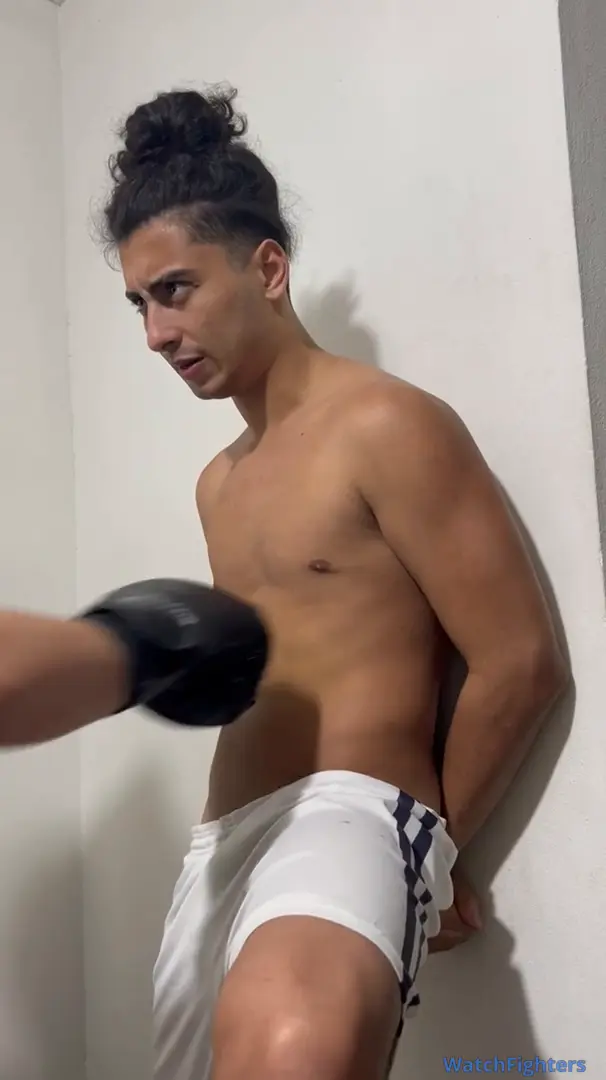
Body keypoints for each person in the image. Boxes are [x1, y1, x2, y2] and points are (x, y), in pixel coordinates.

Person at [3, 85, 568, 1080]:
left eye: (175, 290)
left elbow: (519, 663)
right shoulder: (217, 484)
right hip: (221, 844)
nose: (155, 334)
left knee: (290, 1053)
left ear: (267, 268)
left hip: (354, 815)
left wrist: (438, 852)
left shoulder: (386, 424)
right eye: (139, 304)